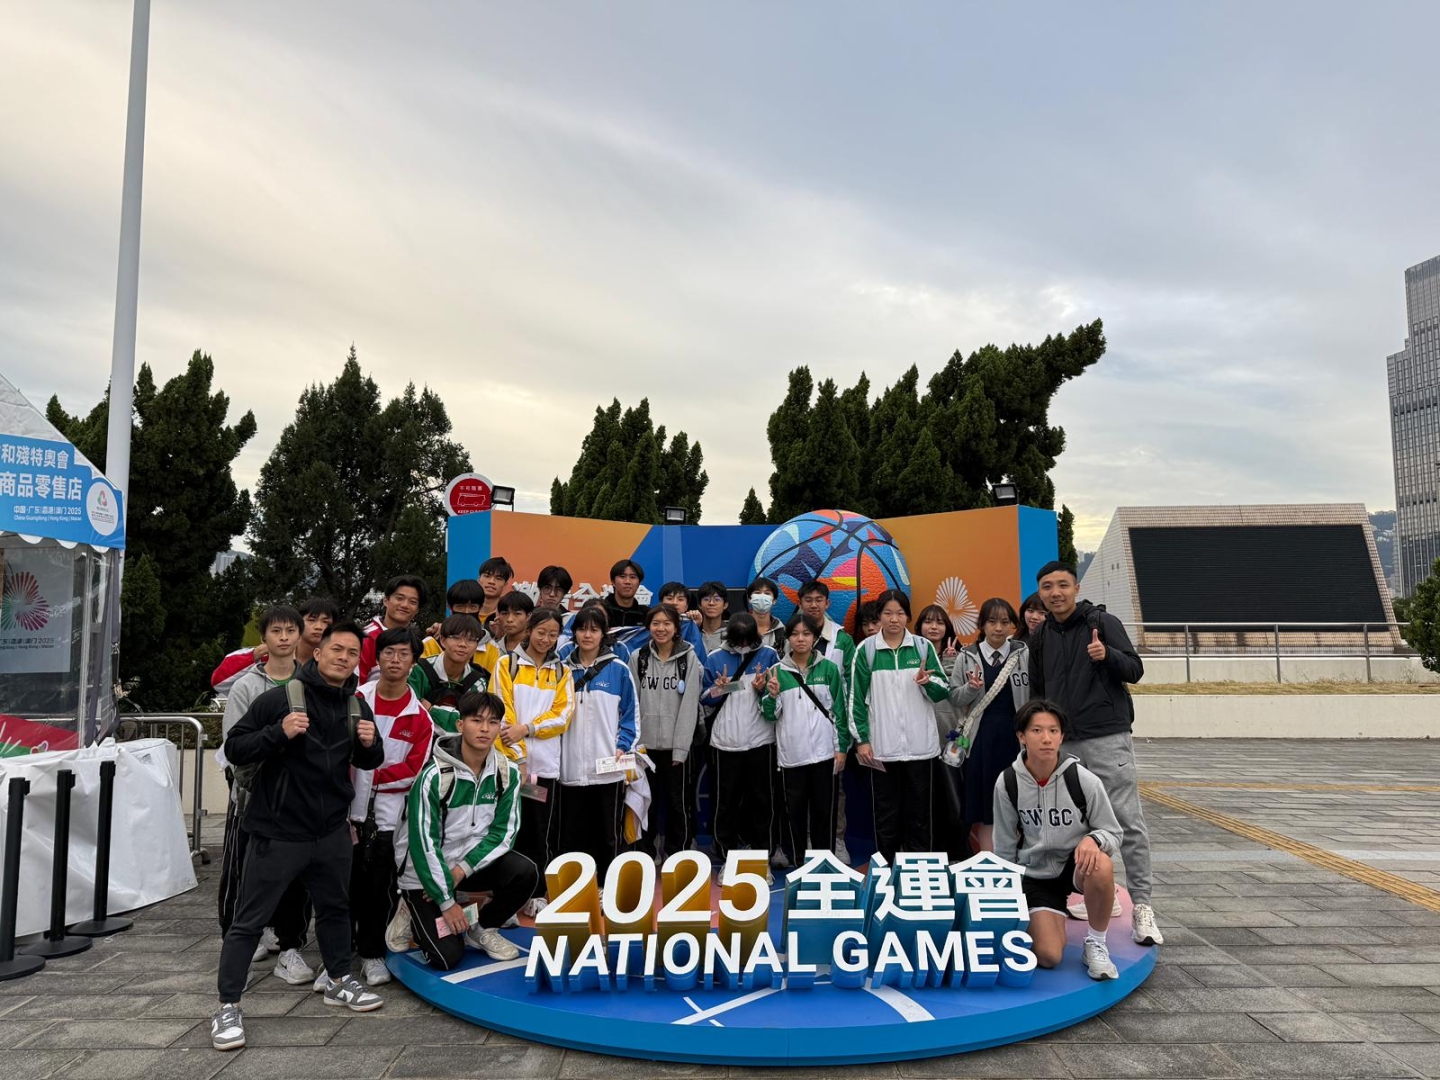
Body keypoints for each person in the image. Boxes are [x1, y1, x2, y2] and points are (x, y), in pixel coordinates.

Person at [212, 622, 386, 1052]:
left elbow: (369, 761)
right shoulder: (281, 698)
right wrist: (278, 732)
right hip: (278, 832)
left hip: (330, 831)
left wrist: (371, 743)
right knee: (249, 920)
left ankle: (339, 980)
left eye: (352, 652)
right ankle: (228, 1006)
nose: (344, 657)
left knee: (335, 909)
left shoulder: (356, 705)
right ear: (318, 652)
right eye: (336, 649)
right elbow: (234, 748)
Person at [1029, 560, 1160, 947]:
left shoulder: (1102, 622)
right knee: (1073, 826)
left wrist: (1107, 655)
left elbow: (1135, 669)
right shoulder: (1041, 636)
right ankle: (1094, 893)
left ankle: (1142, 906)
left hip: (1107, 737)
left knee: (1127, 822)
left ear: (1076, 587)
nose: (1055, 593)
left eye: (1062, 585)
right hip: (1065, 743)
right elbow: (1038, 693)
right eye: (1047, 587)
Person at [394, 691, 536, 970]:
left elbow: (504, 833)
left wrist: (461, 870)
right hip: (425, 871)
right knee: (447, 957)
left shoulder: (507, 773)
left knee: (525, 872)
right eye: (476, 720)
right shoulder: (434, 776)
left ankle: (482, 929)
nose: (485, 729)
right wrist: (446, 902)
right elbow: (423, 843)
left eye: (493, 722)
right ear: (460, 725)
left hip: (467, 866)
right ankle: (410, 908)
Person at [993, 699, 1124, 981]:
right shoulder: (1008, 782)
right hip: (1035, 874)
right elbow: (1003, 846)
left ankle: (1096, 943)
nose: (1046, 739)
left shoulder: (1083, 780)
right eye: (1037, 730)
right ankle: (1050, 916)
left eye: (1053, 731)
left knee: (1101, 864)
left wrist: (1093, 839)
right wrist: (1004, 901)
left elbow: (1113, 832)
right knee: (1048, 956)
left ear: (1062, 736)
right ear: (1021, 736)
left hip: (1074, 864)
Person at [214, 606, 313, 977]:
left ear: (300, 636)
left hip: (298, 798)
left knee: (296, 877)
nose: (284, 638)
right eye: (276, 631)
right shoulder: (247, 686)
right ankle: (237, 934)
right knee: (242, 869)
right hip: (252, 795)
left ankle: (290, 945)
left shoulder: (311, 682)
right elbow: (234, 744)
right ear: (264, 637)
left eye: (290, 630)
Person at [351, 627, 433, 986]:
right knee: (341, 886)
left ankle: (371, 954)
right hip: (345, 812)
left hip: (387, 818)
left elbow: (413, 770)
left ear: (413, 662)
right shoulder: (356, 700)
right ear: (377, 657)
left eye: (403, 654)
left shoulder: (420, 717)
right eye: (389, 652)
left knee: (378, 887)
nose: (395, 660)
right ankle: (336, 957)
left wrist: (369, 776)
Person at [849, 590, 948, 861]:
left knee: (919, 815)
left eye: (900, 613)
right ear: (879, 616)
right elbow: (856, 700)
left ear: (908, 616)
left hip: (921, 749)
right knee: (885, 814)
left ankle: (920, 870)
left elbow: (943, 691)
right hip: (882, 749)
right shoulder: (866, 650)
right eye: (888, 613)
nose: (894, 619)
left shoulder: (922, 647)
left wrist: (927, 682)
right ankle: (887, 869)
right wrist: (862, 740)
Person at [496, 608, 573, 913]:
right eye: (541, 632)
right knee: (508, 830)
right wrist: (519, 759)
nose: (546, 639)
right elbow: (502, 712)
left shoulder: (562, 672)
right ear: (529, 630)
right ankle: (504, 894)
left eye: (553, 634)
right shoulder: (507, 664)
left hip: (545, 768)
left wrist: (528, 728)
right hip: (509, 766)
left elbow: (563, 716)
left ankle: (537, 892)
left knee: (540, 832)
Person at [558, 606, 639, 880]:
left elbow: (631, 716)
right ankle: (574, 886)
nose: (587, 635)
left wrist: (622, 747)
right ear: (574, 633)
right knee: (572, 834)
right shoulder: (561, 670)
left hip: (608, 768)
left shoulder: (619, 669)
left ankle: (607, 885)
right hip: (569, 769)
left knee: (608, 833)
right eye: (582, 629)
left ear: (604, 634)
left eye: (594, 629)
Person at [762, 612, 847, 861]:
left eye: (806, 634)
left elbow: (839, 712)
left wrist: (841, 749)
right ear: (788, 638)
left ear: (815, 638)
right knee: (794, 813)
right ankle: (798, 860)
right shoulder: (776, 672)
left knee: (824, 812)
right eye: (795, 634)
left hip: (824, 755)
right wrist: (772, 696)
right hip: (791, 757)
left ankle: (824, 861)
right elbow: (770, 715)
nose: (801, 639)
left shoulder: (829, 669)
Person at [949, 598, 1030, 855]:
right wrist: (970, 689)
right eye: (992, 621)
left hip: (1015, 737)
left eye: (1005, 622)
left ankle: (1014, 860)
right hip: (980, 739)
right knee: (986, 805)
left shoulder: (1023, 654)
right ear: (982, 624)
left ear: (1012, 625)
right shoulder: (967, 656)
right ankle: (989, 861)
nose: (998, 628)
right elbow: (954, 697)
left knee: (1017, 799)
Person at [702, 612, 781, 873]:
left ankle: (762, 856)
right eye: (739, 640)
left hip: (761, 740)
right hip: (725, 742)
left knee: (763, 801)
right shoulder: (714, 657)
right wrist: (721, 687)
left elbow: (778, 695)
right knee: (725, 803)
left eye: (748, 640)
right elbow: (705, 698)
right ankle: (727, 856)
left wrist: (762, 689)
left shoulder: (769, 655)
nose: (744, 645)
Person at [629, 605, 702, 859]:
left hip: (675, 747)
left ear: (676, 628)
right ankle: (646, 852)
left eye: (667, 623)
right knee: (644, 801)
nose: (661, 629)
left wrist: (680, 749)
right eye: (656, 623)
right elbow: (632, 704)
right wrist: (635, 746)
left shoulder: (688, 658)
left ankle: (676, 852)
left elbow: (690, 706)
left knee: (677, 803)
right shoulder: (638, 658)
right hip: (644, 748)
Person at [210, 597, 339, 697]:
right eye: (312, 620)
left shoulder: (337, 662)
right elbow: (218, 682)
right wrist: (257, 653)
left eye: (326, 622)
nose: (319, 627)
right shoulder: (267, 655)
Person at [914, 603, 963, 861]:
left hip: (950, 739)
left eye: (940, 622)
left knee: (952, 799)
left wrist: (952, 663)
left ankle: (955, 852)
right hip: (918, 740)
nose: (934, 627)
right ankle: (925, 853)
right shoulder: (910, 654)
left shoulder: (960, 656)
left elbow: (961, 695)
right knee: (922, 800)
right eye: (928, 621)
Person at [410, 614, 496, 734]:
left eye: (471, 640)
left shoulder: (478, 682)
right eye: (456, 638)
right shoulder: (419, 670)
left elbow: (474, 725)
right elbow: (411, 710)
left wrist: (431, 709)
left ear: (477, 645)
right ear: (442, 640)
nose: (463, 644)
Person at [419, 580, 501, 673]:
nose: (466, 612)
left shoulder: (492, 648)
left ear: (480, 608)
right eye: (460, 607)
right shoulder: (430, 643)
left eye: (472, 607)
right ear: (449, 607)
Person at [359, 575, 426, 685]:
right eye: (399, 598)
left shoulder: (417, 641)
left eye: (413, 602)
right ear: (386, 600)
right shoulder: (367, 637)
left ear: (417, 609)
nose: (405, 605)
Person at [603, 558, 649, 631]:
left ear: (639, 583)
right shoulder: (601, 610)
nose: (627, 581)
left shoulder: (647, 614)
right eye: (622, 576)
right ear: (613, 582)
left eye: (633, 577)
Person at [746, 576, 787, 653]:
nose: (762, 597)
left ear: (774, 600)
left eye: (767, 593)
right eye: (757, 592)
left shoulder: (782, 631)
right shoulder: (739, 628)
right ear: (749, 599)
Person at [476, 556, 515, 630]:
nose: (491, 582)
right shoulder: (467, 612)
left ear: (505, 585)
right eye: (487, 576)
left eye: (498, 578)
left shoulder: (509, 617)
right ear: (479, 580)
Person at [493, 590, 536, 656]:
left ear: (528, 616)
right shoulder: (492, 647)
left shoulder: (537, 648)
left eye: (517, 614)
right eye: (504, 613)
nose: (509, 619)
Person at [694, 580, 729, 654]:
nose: (711, 603)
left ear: (725, 605)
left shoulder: (732, 634)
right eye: (706, 599)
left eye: (717, 599)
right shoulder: (693, 632)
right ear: (699, 605)